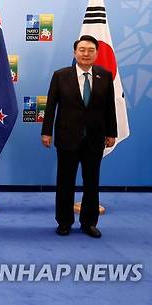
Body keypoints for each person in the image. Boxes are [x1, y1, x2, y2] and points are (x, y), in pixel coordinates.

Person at [41, 35, 117, 239]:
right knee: (65, 181)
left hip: (94, 138)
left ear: (96, 53)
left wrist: (112, 132)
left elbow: (110, 107)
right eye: (82, 50)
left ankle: (89, 222)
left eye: (90, 50)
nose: (86, 53)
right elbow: (50, 106)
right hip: (67, 137)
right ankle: (64, 222)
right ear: (75, 53)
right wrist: (46, 131)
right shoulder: (61, 75)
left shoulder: (105, 75)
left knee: (92, 182)